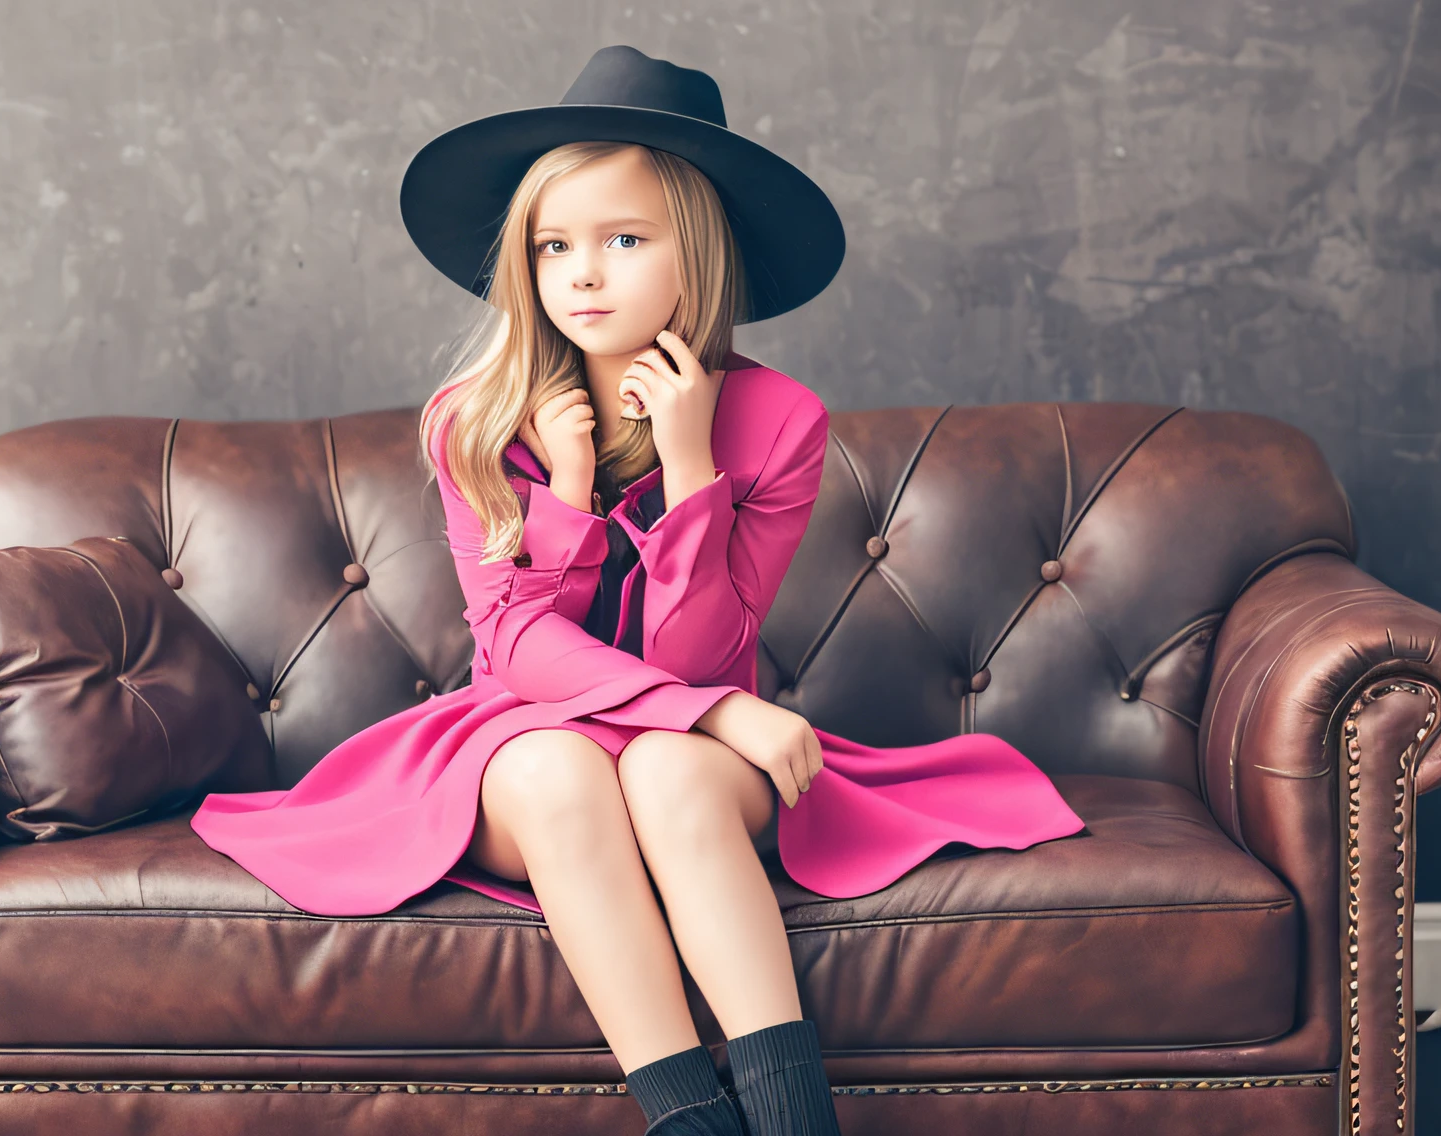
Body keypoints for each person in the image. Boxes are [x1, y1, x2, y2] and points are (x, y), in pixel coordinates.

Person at [189, 46, 1087, 1136]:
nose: (582, 273)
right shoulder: (472, 417)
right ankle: (690, 1121)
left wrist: (692, 467)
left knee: (664, 767)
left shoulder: (779, 419)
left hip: (683, 742)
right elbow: (516, 643)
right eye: (553, 244)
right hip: (520, 737)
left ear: (695, 254)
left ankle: (796, 1118)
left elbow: (696, 655)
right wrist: (566, 491)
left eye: (623, 240)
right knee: (564, 768)